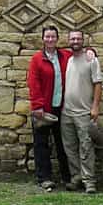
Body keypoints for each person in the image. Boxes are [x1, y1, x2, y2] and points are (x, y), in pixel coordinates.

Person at [26, 25, 71, 190]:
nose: (50, 39)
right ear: (43, 39)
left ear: (57, 39)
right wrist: (37, 106)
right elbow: (33, 83)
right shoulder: (37, 59)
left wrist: (91, 52)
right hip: (43, 108)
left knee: (64, 144)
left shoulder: (65, 56)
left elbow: (83, 52)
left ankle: (68, 177)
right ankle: (44, 177)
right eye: (47, 37)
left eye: (53, 36)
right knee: (42, 144)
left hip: (61, 107)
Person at [61, 28, 103, 194]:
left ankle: (89, 181)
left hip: (84, 112)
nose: (75, 41)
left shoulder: (91, 59)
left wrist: (95, 106)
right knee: (70, 148)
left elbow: (98, 83)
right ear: (68, 41)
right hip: (67, 112)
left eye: (78, 39)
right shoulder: (67, 59)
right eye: (73, 39)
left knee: (86, 147)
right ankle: (76, 177)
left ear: (83, 40)